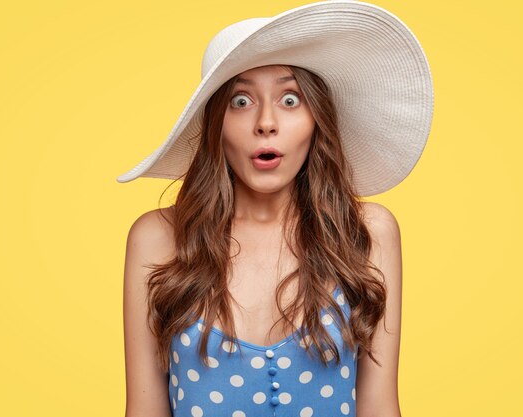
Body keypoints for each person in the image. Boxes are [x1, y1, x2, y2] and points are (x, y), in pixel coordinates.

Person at [119, 1, 433, 416]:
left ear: (316, 118)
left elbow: (379, 406)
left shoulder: (368, 233)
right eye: (241, 101)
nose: (266, 122)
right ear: (216, 123)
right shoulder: (157, 238)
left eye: (290, 99)